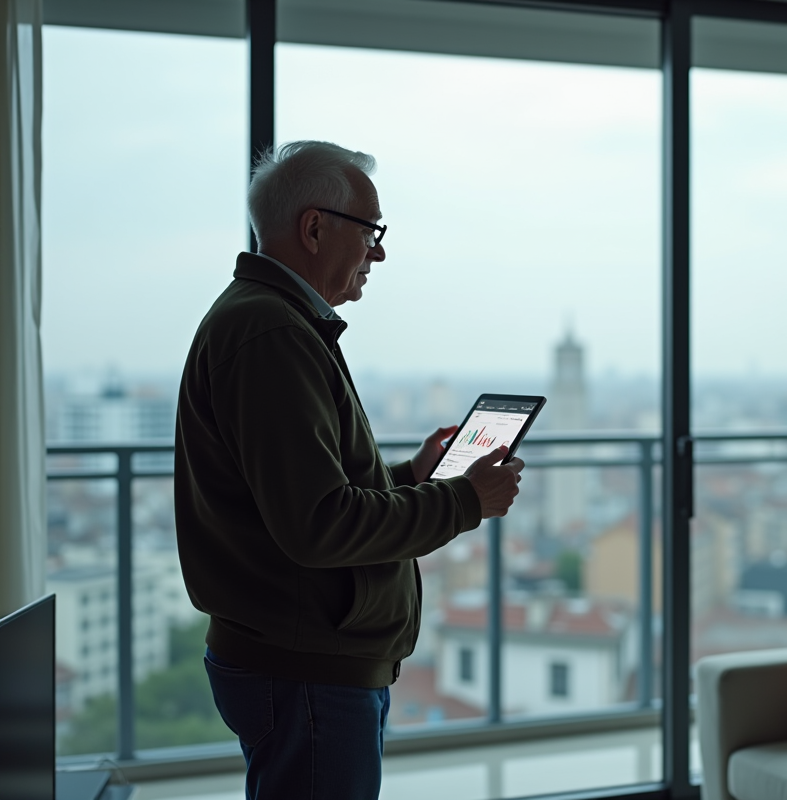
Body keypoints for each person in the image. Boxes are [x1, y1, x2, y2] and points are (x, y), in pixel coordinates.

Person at [174, 140, 524, 800]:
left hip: (307, 661)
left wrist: (413, 476)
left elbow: (305, 489)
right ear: (314, 228)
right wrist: (463, 500)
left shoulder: (274, 322)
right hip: (307, 671)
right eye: (372, 232)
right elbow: (319, 523)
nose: (380, 252)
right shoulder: (271, 333)